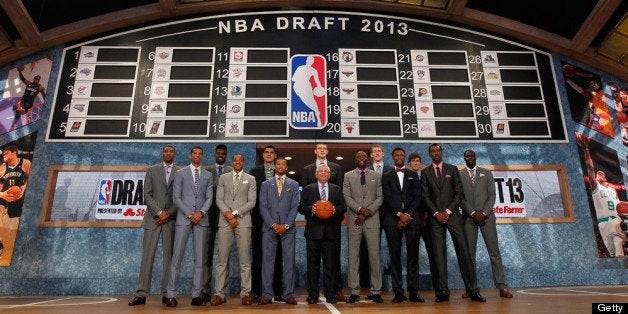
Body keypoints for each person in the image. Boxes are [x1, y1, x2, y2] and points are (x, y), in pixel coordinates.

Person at [421, 143, 484, 303]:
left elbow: (459, 193)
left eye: (438, 150)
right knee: (438, 256)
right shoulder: (425, 172)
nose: (436, 153)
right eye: (433, 151)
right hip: (435, 219)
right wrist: (436, 213)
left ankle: (472, 290)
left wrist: (448, 211)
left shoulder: (452, 169)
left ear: (442, 153)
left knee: (464, 252)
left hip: (453, 216)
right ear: (430, 155)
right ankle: (442, 292)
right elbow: (425, 196)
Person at [459, 150, 513, 298]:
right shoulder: (460, 175)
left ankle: (502, 286)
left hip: (487, 218)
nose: (469, 158)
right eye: (467, 156)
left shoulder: (486, 173)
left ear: (475, 158)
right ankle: (472, 288)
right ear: (464, 158)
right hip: (469, 219)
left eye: (472, 156)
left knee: (494, 252)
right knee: (469, 254)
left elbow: (492, 195)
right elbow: (460, 197)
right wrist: (472, 213)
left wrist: (483, 213)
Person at [129, 146, 177, 306]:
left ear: (174, 154)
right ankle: (141, 294)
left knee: (169, 259)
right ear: (162, 153)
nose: (168, 153)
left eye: (171, 151)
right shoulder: (152, 170)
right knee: (147, 257)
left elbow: (180, 196)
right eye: (166, 151)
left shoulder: (180, 172)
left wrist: (168, 213)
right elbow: (147, 194)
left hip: (170, 220)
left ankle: (167, 293)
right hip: (153, 219)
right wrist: (158, 212)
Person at [165, 146, 213, 307]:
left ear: (202, 156)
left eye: (200, 153)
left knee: (200, 259)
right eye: (195, 153)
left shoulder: (207, 175)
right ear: (190, 155)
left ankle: (196, 295)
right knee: (176, 258)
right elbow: (176, 198)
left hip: (202, 219)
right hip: (184, 219)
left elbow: (209, 198)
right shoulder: (180, 173)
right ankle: (171, 295)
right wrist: (190, 214)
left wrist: (201, 213)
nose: (197, 156)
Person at [301, 143, 345, 301]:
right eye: (321, 171)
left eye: (326, 172)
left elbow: (343, 207)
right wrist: (312, 209)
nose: (323, 173)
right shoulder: (308, 189)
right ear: (316, 174)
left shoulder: (336, 189)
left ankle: (330, 294)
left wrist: (334, 210)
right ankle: (312, 295)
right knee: (312, 266)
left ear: (329, 174)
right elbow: (301, 207)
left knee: (330, 266)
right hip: (313, 231)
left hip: (331, 231)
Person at [212, 154, 257, 306]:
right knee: (221, 260)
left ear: (243, 162)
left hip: (243, 222)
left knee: (245, 260)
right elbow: (219, 199)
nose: (238, 162)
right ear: (233, 162)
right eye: (235, 160)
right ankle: (219, 293)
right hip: (225, 221)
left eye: (240, 160)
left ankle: (245, 293)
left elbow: (252, 202)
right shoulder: (223, 178)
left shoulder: (250, 179)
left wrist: (235, 213)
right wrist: (228, 214)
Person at [381, 147, 423, 303]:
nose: (399, 157)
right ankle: (398, 292)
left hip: (412, 220)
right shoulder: (386, 176)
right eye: (396, 155)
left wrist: (408, 215)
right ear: (392, 158)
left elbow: (417, 196)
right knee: (395, 257)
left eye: (401, 155)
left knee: (413, 257)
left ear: (405, 157)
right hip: (393, 221)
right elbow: (387, 197)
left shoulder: (413, 175)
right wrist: (399, 214)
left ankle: (414, 292)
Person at [257, 157, 300, 305]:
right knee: (268, 262)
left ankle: (289, 294)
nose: (280, 166)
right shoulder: (265, 184)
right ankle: (267, 294)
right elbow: (262, 206)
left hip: (288, 229)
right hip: (270, 228)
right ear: (274, 166)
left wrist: (286, 225)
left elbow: (295, 207)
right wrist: (273, 224)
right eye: (278, 164)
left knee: (289, 262)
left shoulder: (294, 184)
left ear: (286, 167)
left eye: (283, 164)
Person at [342, 151, 384, 303]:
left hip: (372, 219)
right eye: (358, 157)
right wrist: (360, 210)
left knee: (374, 256)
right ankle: (354, 291)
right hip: (355, 219)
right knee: (353, 255)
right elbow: (346, 196)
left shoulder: (376, 175)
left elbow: (380, 197)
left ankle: (376, 291)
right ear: (355, 160)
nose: (361, 159)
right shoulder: (348, 176)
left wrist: (368, 211)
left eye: (364, 157)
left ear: (368, 159)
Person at [576, 134, 626, 257]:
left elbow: (620, 205)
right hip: (603, 224)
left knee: (619, 251)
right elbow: (589, 168)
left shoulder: (612, 190)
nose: (599, 173)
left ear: (605, 177)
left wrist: (586, 149)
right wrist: (586, 151)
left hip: (615, 221)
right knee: (613, 254)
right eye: (597, 173)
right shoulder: (595, 187)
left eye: (601, 173)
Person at [249, 144, 284, 302]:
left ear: (275, 156)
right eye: (266, 152)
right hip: (259, 220)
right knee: (258, 255)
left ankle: (278, 290)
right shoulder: (254, 172)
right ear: (263, 156)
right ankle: (256, 290)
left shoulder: (280, 173)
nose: (269, 155)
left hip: (278, 221)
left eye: (272, 153)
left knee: (277, 256)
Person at [201, 144, 232, 301]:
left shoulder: (231, 171)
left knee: (223, 255)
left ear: (226, 155)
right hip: (208, 216)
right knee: (206, 254)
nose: (220, 155)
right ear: (214, 154)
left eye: (223, 153)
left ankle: (221, 291)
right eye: (218, 153)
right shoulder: (206, 171)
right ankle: (205, 290)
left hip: (225, 215)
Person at [406, 152, 437, 292]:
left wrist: (427, 215)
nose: (416, 163)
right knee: (412, 255)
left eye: (418, 160)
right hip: (412, 220)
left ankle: (439, 287)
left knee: (434, 254)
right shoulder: (406, 176)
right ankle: (413, 289)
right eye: (413, 161)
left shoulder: (427, 174)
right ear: (409, 163)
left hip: (428, 219)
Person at [0, 146, 31, 230]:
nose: (4, 155)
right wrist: (2, 194)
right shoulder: (1, 168)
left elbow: (29, 178)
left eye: (6, 153)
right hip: (4, 195)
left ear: (14, 153)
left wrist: (23, 188)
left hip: (20, 195)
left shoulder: (26, 163)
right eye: (3, 154)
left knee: (18, 224)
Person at [292, 55, 324, 127]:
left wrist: (319, 87)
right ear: (306, 61)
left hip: (307, 87)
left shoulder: (314, 70)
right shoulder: (300, 68)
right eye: (309, 60)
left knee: (313, 103)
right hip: (298, 87)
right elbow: (293, 79)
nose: (310, 62)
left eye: (311, 61)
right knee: (304, 102)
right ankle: (317, 114)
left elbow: (317, 80)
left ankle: (318, 118)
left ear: (312, 62)